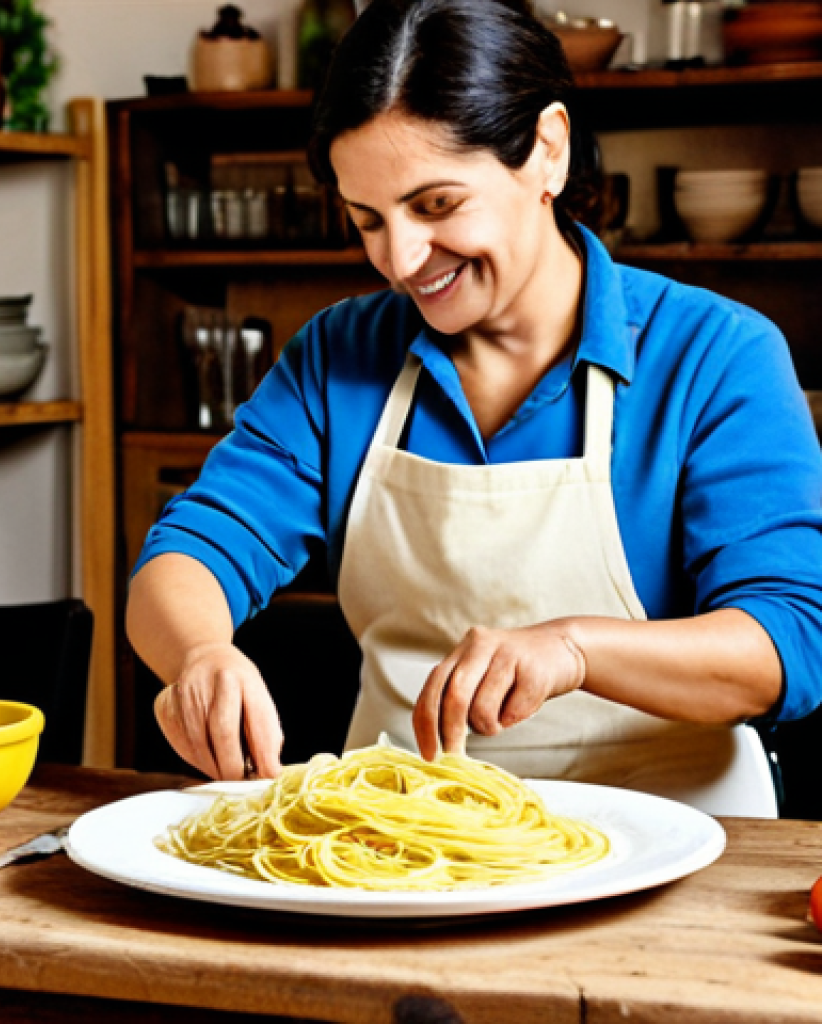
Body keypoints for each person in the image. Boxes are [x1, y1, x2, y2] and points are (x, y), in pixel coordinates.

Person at [127, 0, 822, 817]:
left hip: (676, 835)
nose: (400, 260)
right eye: (367, 221)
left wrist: (574, 648)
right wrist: (201, 654)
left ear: (547, 150)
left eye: (435, 205)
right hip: (399, 839)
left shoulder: (713, 354)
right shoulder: (339, 355)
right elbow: (189, 552)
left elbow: (787, 643)